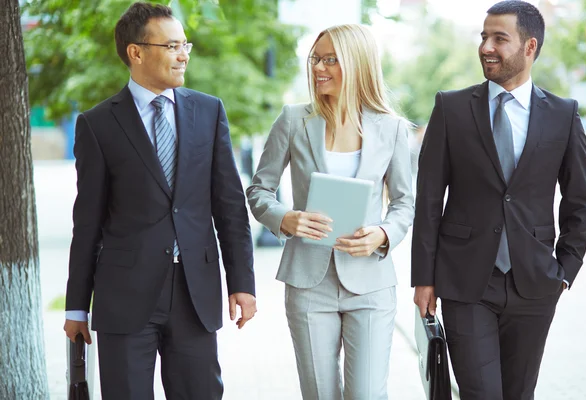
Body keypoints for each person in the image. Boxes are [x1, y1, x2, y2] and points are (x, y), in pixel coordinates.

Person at [63, 3, 256, 399]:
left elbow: (229, 206)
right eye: (171, 46)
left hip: (194, 294)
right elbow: (87, 221)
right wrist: (76, 306)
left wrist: (242, 283)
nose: (183, 54)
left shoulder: (208, 111)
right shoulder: (97, 124)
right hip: (124, 296)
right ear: (136, 52)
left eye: (185, 44)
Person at [411, 2, 586, 399]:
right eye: (483, 36)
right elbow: (428, 199)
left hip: (536, 282)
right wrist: (424, 277)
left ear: (529, 47)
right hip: (465, 281)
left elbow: (578, 201)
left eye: (499, 38)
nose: (485, 47)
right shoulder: (451, 108)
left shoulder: (563, 115)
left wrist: (565, 269)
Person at [246, 24, 414, 399]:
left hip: (370, 283)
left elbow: (405, 203)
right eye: (315, 59)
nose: (318, 67)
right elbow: (259, 189)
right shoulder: (293, 120)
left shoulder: (392, 129)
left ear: (356, 63)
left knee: (367, 394)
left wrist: (384, 234)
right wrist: (285, 218)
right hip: (308, 282)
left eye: (330, 60)